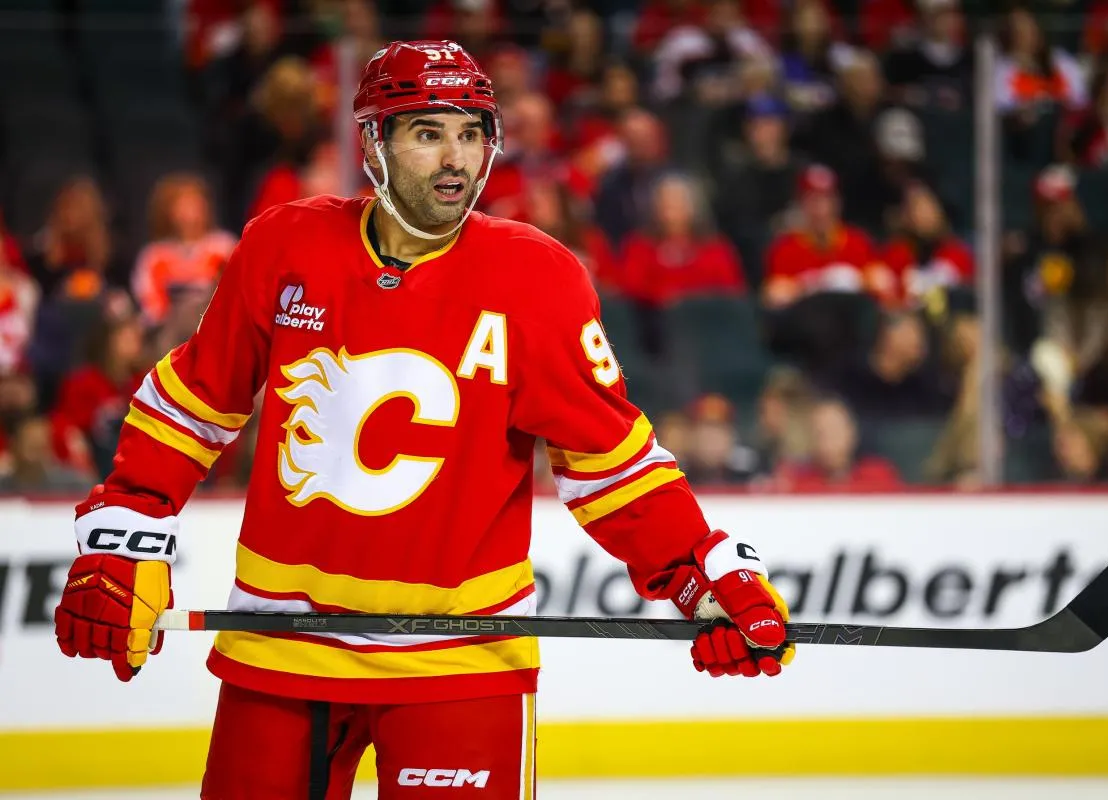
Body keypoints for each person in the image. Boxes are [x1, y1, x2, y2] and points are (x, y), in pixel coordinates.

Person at [53, 40, 794, 800]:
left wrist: (702, 573)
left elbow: (610, 463)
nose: (455, 159)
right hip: (282, 645)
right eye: (428, 133)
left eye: (471, 133)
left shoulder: (537, 278)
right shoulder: (284, 245)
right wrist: (127, 528)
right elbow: (195, 400)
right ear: (374, 142)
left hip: (460, 658)